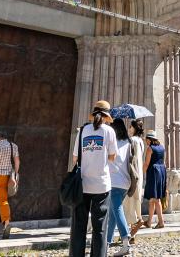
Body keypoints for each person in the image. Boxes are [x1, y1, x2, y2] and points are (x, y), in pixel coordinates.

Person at [69, 100, 117, 257]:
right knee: (100, 228)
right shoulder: (109, 131)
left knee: (78, 227)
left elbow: (75, 158)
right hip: (102, 185)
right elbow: (112, 156)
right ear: (106, 116)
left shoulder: (82, 131)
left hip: (82, 184)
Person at [107, 118, 138, 256]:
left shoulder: (111, 142)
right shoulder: (128, 141)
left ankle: (126, 242)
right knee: (113, 213)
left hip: (114, 182)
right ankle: (106, 243)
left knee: (117, 210)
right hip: (125, 183)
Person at [142, 130, 167, 229]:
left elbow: (147, 163)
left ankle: (161, 222)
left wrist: (140, 174)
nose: (145, 141)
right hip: (161, 172)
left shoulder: (150, 148)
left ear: (149, 140)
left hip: (154, 173)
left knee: (156, 199)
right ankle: (149, 222)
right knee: (152, 199)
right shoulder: (162, 147)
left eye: (146, 140)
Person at [125, 119, 146, 237]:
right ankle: (132, 234)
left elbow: (129, 158)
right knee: (135, 199)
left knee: (130, 201)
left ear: (133, 128)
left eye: (130, 127)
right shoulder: (141, 141)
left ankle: (134, 225)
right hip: (139, 173)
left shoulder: (132, 140)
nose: (128, 129)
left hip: (132, 173)